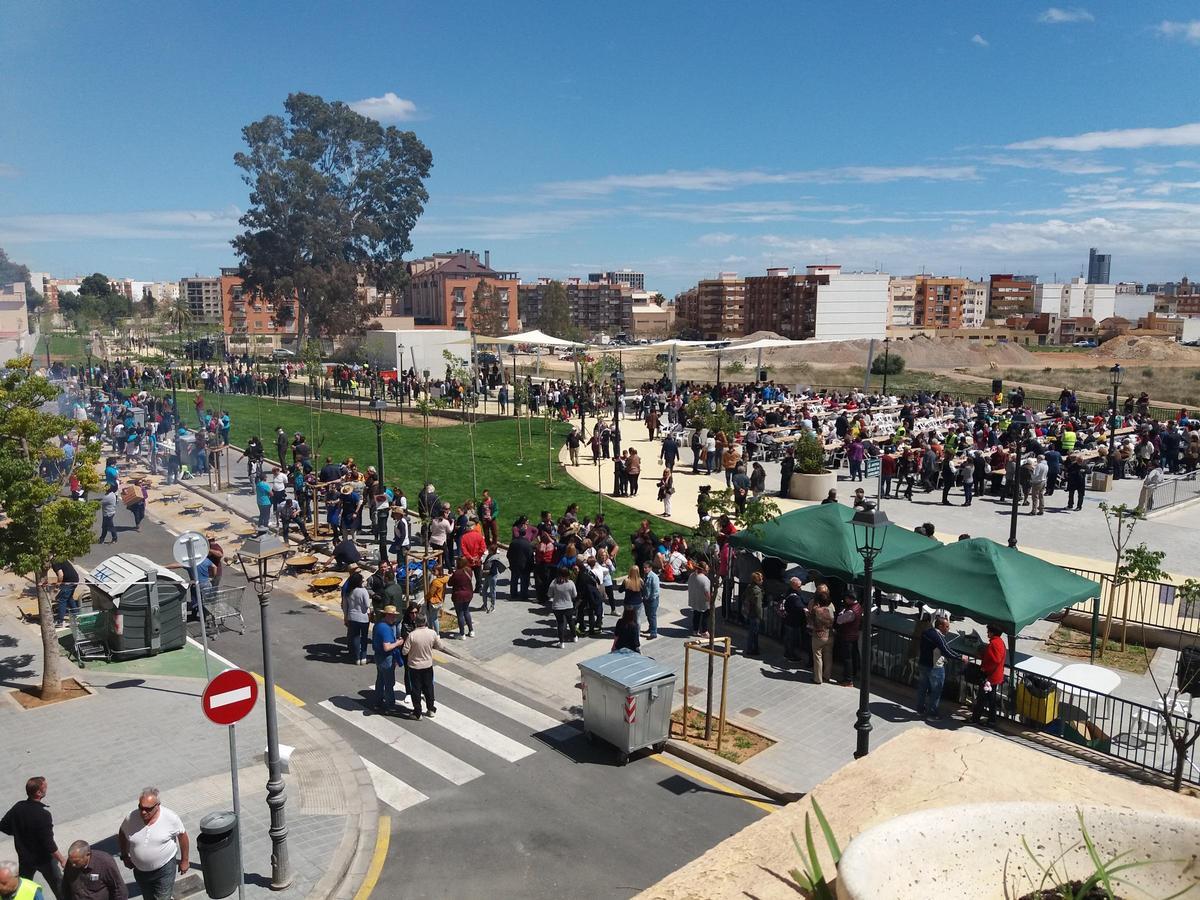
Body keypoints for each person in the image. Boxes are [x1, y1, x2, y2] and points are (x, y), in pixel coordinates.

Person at [117, 788, 188, 900]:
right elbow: (122, 833)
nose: (143, 812)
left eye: (147, 809)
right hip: (141, 871)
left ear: (157, 806)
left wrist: (184, 861)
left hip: (164, 869)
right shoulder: (131, 818)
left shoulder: (170, 818)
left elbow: (183, 836)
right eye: (140, 807)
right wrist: (125, 856)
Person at [1, 778, 63, 899]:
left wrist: (19, 832)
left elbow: (3, 826)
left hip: (25, 859)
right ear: (39, 793)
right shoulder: (43, 815)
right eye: (44, 787)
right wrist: (61, 859)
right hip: (44, 860)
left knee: (22, 885)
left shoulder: (18, 807)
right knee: (58, 885)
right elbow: (49, 844)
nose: (46, 788)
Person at [915, 611, 966, 721]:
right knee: (936, 691)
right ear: (940, 626)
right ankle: (932, 714)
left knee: (922, 688)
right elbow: (947, 651)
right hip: (935, 668)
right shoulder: (938, 637)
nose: (948, 629)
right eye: (947, 626)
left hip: (923, 664)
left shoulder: (926, 632)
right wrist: (961, 657)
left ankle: (920, 709)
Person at [402, 612, 445, 719]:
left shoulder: (412, 635)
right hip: (427, 666)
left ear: (416, 622)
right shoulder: (432, 633)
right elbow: (440, 646)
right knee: (428, 688)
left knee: (415, 690)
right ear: (425, 621)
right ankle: (431, 709)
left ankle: (417, 712)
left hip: (414, 667)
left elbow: (404, 651)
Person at [62, 841, 126, 900]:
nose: (73, 865)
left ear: (87, 855)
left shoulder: (104, 862)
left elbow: (119, 888)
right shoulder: (71, 863)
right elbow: (66, 887)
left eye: (76, 861)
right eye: (71, 861)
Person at [971, 624, 1008, 725]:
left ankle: (975, 719)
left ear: (992, 632)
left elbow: (994, 660)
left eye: (988, 631)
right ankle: (991, 720)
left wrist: (984, 669)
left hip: (989, 676)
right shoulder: (1000, 642)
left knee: (981, 699)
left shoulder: (994, 644)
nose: (987, 633)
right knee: (991, 699)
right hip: (995, 676)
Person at [371, 605, 405, 713]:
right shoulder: (386, 628)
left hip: (378, 656)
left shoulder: (378, 625)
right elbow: (387, 647)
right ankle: (390, 705)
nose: (394, 618)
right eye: (393, 616)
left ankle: (377, 702)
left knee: (380, 680)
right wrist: (398, 643)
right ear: (388, 615)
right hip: (386, 658)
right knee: (389, 683)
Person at [807, 586, 835, 684]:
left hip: (818, 636)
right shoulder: (831, 609)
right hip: (830, 635)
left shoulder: (816, 610)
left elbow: (810, 621)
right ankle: (827, 676)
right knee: (828, 655)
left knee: (817, 657)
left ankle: (818, 678)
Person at [341, 571, 371, 665]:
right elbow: (367, 605)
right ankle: (364, 657)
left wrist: (346, 617)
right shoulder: (363, 591)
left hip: (352, 617)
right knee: (364, 638)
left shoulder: (348, 592)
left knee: (355, 638)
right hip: (363, 618)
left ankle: (357, 658)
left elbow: (345, 606)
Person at [836, 593, 863, 685]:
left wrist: (841, 613)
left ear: (849, 598)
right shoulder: (858, 606)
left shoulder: (850, 612)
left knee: (848, 658)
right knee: (854, 655)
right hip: (855, 635)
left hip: (847, 636)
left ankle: (848, 679)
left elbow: (839, 620)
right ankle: (854, 673)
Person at [547, 567, 577, 648]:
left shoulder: (554, 583)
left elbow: (549, 594)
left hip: (557, 607)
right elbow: (574, 595)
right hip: (568, 606)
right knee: (571, 621)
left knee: (560, 623)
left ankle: (561, 642)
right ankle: (574, 637)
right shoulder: (571, 583)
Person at [780, 576, 808, 663]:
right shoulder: (794, 597)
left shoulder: (789, 592)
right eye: (799, 586)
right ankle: (791, 655)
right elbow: (800, 607)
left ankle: (788, 654)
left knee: (789, 639)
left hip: (789, 620)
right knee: (792, 640)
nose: (801, 588)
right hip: (793, 622)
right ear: (793, 586)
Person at [449, 558, 475, 638]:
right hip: (468, 594)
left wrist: (451, 576)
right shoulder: (469, 570)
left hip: (458, 596)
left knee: (460, 614)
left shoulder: (457, 573)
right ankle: (471, 631)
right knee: (466, 611)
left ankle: (462, 634)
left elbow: (450, 583)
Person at [50, 560, 80, 628]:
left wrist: (57, 586)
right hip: (74, 579)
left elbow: (61, 575)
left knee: (62, 600)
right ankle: (77, 616)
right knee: (69, 598)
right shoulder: (60, 557)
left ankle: (59, 621)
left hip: (68, 581)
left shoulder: (55, 562)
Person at [506, 528, 533, 603]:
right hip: (525, 565)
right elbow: (530, 556)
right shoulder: (528, 544)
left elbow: (508, 554)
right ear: (525, 534)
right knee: (524, 581)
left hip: (515, 565)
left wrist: (511, 562)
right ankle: (523, 595)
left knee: (514, 580)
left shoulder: (513, 542)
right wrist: (531, 565)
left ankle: (513, 594)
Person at [687, 559, 711, 636]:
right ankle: (704, 631)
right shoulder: (705, 579)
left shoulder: (692, 575)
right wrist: (710, 600)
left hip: (694, 598)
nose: (708, 570)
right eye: (707, 569)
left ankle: (695, 630)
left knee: (696, 614)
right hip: (702, 600)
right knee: (705, 615)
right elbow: (707, 591)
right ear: (703, 570)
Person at [744, 571, 764, 658]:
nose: (762, 580)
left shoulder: (749, 587)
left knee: (753, 632)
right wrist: (760, 616)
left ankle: (755, 648)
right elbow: (758, 606)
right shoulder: (757, 591)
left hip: (749, 612)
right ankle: (751, 649)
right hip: (755, 614)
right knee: (753, 633)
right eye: (761, 579)